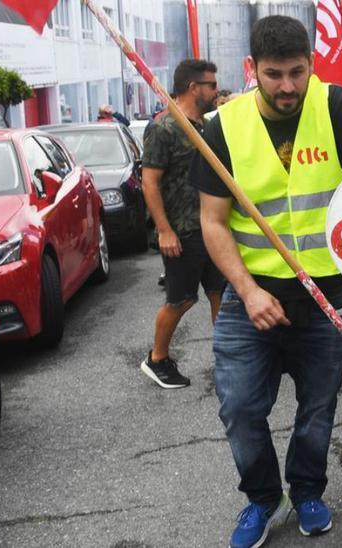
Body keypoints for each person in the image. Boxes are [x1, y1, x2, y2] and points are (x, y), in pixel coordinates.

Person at [192, 15, 342, 546]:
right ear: (251, 68)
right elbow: (213, 221)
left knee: (318, 410)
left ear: (311, 65)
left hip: (325, 296)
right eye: (274, 74)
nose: (287, 87)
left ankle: (306, 492)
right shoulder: (222, 126)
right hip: (249, 296)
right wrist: (250, 291)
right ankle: (263, 498)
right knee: (239, 408)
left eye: (297, 73)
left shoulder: (338, 106)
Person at [138, 59, 223, 389]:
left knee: (221, 295)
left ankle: (228, 358)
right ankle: (157, 358)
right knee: (182, 299)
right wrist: (164, 229)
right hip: (183, 230)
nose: (216, 91)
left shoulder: (204, 124)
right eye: (212, 85)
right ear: (193, 87)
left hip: (212, 226)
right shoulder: (165, 128)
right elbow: (149, 182)